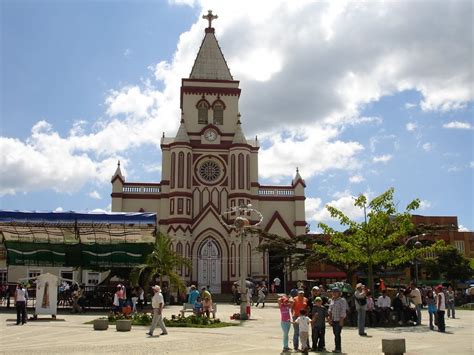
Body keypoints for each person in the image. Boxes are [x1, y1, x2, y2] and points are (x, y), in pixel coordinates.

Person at [328, 287, 348, 354]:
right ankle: (336, 347)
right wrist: (330, 319)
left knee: (337, 334)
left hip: (339, 320)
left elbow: (343, 310)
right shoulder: (332, 300)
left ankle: (338, 348)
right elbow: (330, 310)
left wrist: (341, 320)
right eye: (333, 292)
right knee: (335, 334)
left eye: (335, 292)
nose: (334, 293)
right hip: (333, 319)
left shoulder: (342, 300)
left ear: (339, 293)